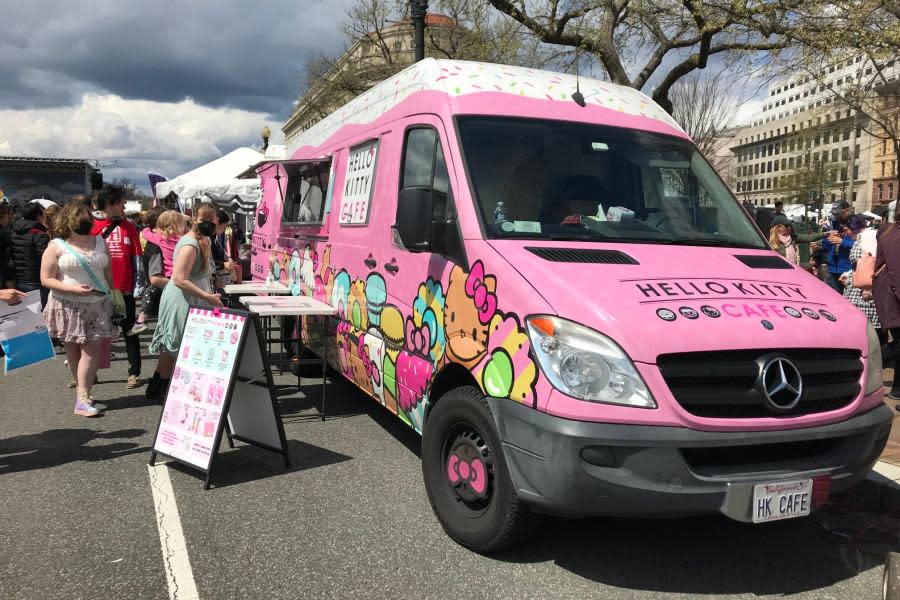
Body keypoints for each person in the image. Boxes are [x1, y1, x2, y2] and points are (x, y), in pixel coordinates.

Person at [40, 203, 117, 417]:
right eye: (81, 218)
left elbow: (108, 273)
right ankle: (83, 395)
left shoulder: (100, 241)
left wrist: (115, 296)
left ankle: (82, 396)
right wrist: (73, 289)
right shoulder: (56, 245)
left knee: (91, 350)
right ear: (69, 220)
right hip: (66, 304)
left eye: (88, 217)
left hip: (98, 304)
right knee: (73, 351)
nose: (87, 221)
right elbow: (46, 279)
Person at [147, 202, 222, 400]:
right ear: (193, 219)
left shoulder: (204, 239)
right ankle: (166, 390)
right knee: (177, 345)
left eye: (211, 219)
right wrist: (207, 296)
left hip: (194, 298)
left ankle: (157, 388)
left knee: (177, 346)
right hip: (182, 299)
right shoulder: (190, 244)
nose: (208, 223)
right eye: (203, 219)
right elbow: (179, 278)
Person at [92, 186, 144, 390]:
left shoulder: (129, 227)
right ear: (111, 203)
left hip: (124, 289)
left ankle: (134, 372)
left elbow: (137, 259)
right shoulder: (93, 227)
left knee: (129, 330)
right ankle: (89, 372)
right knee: (95, 333)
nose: (124, 206)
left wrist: (138, 286)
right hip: (99, 289)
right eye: (121, 202)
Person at [874, 204, 900, 399]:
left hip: (891, 294)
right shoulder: (895, 235)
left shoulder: (892, 232)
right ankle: (869, 364)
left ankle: (898, 389)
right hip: (892, 295)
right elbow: (896, 272)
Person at [843, 219, 882, 341]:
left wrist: (869, 288)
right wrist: (849, 274)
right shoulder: (860, 237)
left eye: (847, 230)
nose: (846, 233)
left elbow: (872, 263)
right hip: (858, 285)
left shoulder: (869, 236)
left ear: (853, 227)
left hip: (865, 287)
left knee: (867, 328)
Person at [10, 202, 50, 307]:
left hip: (19, 280)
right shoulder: (40, 235)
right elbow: (46, 259)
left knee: (26, 314)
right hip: (36, 280)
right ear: (38, 216)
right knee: (41, 315)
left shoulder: (14, 232)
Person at [821, 215, 860, 294]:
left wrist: (841, 242)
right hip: (832, 270)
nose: (839, 233)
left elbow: (856, 245)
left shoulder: (850, 236)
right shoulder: (834, 235)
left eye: (841, 231)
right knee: (832, 294)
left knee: (846, 295)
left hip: (845, 270)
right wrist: (825, 240)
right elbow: (826, 248)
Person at [0, 203, 14, 289]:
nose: (9, 219)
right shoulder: (2, 235)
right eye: (8, 216)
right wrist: (9, 280)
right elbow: (4, 260)